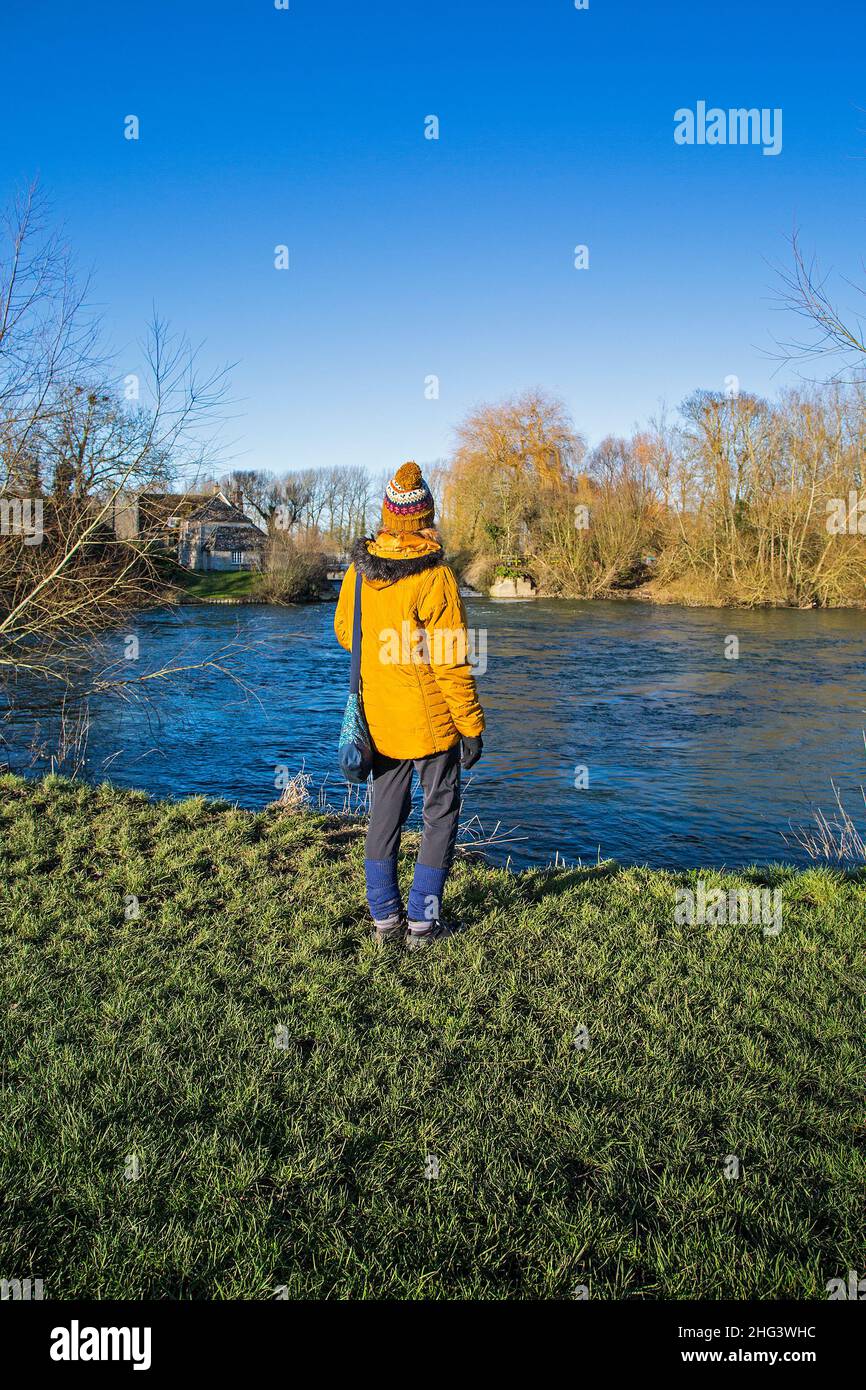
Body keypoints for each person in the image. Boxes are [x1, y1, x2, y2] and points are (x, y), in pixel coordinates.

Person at [335, 461, 484, 948]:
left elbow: (345, 633)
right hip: (432, 720)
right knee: (439, 811)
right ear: (426, 519)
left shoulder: (359, 572)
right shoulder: (435, 575)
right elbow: (450, 662)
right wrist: (471, 725)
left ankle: (384, 921)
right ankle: (423, 922)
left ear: (387, 515)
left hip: (380, 714)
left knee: (385, 813)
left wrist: (387, 656)